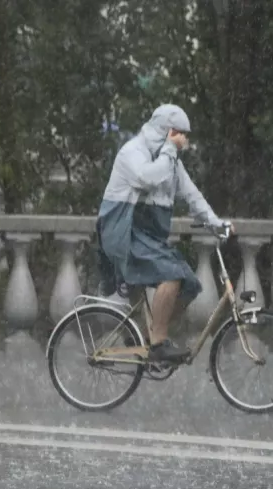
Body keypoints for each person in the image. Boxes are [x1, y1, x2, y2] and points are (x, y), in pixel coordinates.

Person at [96, 104, 231, 364]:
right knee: (171, 276)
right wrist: (169, 149)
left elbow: (192, 195)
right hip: (125, 232)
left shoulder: (170, 160)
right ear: (166, 131)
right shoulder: (133, 152)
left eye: (185, 135)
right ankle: (158, 344)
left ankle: (148, 335)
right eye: (179, 133)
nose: (184, 140)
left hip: (148, 237)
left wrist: (217, 224)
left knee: (189, 284)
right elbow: (147, 178)